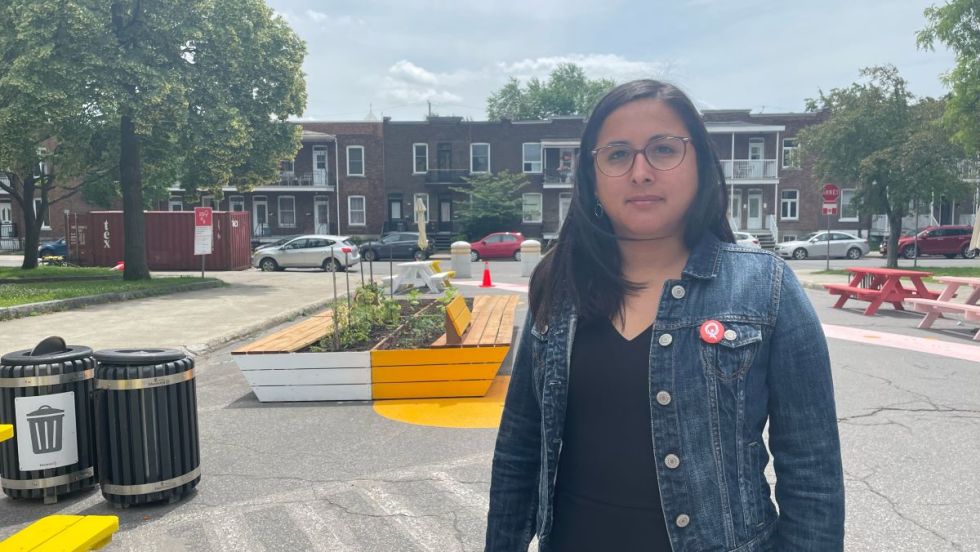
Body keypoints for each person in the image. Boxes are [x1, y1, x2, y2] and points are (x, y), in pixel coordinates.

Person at [485, 80, 844, 552]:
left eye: (662, 149)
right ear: (591, 177)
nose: (640, 172)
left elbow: (812, 476)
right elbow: (519, 452)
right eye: (617, 155)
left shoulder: (767, 289)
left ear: (699, 166)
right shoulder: (560, 286)